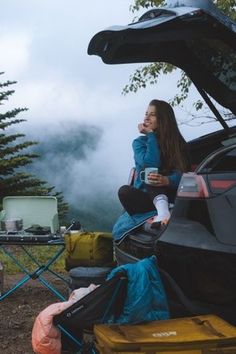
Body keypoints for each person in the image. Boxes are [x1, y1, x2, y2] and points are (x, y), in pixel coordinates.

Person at [118, 99, 190, 228]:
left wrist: (167, 180)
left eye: (152, 114)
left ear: (163, 119)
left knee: (156, 177)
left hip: (171, 195)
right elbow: (150, 163)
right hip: (146, 198)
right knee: (125, 191)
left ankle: (164, 211)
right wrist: (151, 135)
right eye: (146, 113)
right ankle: (163, 211)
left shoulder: (178, 144)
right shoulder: (139, 143)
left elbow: (184, 174)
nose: (146, 117)